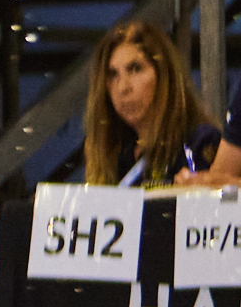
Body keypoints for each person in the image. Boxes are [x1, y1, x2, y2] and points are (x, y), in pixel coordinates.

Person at [82, 20, 241, 187]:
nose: (123, 87)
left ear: (164, 76)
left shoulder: (198, 143)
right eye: (113, 74)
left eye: (135, 69)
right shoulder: (113, 155)